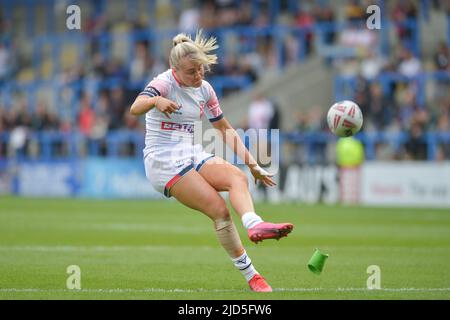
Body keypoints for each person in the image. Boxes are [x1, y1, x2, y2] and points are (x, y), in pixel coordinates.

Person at [129, 31, 294, 292]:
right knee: (220, 211)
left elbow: (225, 129)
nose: (198, 76)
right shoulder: (162, 83)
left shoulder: (204, 89)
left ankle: (254, 224)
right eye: (191, 72)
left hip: (190, 151)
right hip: (163, 160)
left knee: (237, 178)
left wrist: (253, 164)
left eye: (201, 69)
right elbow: (135, 108)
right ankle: (253, 276)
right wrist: (156, 100)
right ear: (175, 70)